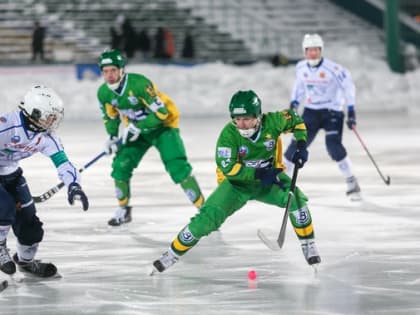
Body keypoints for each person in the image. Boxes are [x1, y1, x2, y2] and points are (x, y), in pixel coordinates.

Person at [151, 90, 321, 274]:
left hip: (269, 179)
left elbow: (296, 120)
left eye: (247, 119)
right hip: (236, 185)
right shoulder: (229, 135)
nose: (241, 124)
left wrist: (301, 145)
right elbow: (229, 168)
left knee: (295, 199)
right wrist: (258, 173)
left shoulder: (273, 121)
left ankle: (308, 244)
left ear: (258, 116)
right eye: (237, 119)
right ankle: (171, 254)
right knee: (205, 220)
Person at [97, 49, 205, 226]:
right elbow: (111, 117)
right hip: (137, 132)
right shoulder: (103, 93)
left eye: (113, 70)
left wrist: (138, 126)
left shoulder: (140, 84)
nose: (109, 75)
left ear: (122, 70)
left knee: (177, 166)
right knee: (120, 165)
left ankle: (204, 210)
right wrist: (111, 137)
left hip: (163, 127)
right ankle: (123, 209)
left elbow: (162, 113)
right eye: (105, 71)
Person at [0, 85, 89, 278]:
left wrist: (74, 185)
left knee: (30, 225)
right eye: (50, 116)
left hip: (13, 175)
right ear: (34, 112)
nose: (52, 121)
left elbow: (62, 162)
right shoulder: (5, 125)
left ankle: (25, 261)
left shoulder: (46, 137)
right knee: (4, 208)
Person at [283, 34, 361, 200]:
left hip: (332, 112)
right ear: (305, 52)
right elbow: (299, 87)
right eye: (310, 50)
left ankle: (351, 182)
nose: (313, 53)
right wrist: (294, 103)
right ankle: (284, 183)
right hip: (311, 112)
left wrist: (351, 110)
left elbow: (348, 87)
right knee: (296, 146)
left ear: (321, 50)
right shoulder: (301, 67)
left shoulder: (334, 69)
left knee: (334, 147)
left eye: (316, 50)